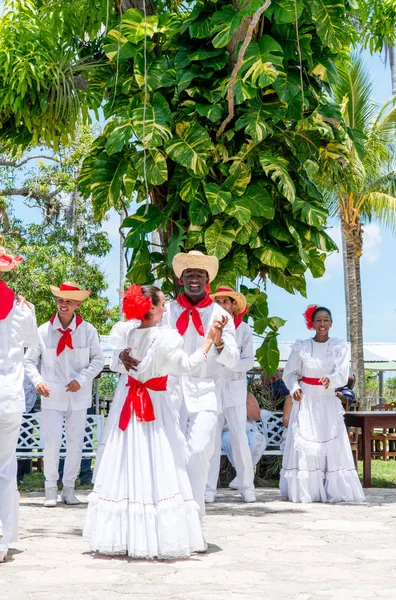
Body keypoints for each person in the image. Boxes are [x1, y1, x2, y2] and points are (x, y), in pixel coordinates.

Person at [84, 284, 220, 558]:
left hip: (129, 404)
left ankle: (125, 535)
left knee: (129, 461)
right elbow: (190, 365)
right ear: (152, 308)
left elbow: (117, 364)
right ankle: (159, 535)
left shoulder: (129, 336)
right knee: (160, 461)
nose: (165, 307)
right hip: (153, 406)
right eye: (161, 303)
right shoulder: (165, 338)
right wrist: (209, 339)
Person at [119, 251, 239, 519]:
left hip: (206, 393)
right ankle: (170, 518)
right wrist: (121, 354)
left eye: (199, 274)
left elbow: (233, 359)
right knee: (169, 456)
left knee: (198, 454)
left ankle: (194, 517)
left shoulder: (220, 314)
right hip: (168, 396)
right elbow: (139, 335)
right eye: (188, 274)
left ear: (207, 279)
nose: (193, 279)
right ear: (180, 279)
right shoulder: (167, 309)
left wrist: (218, 341)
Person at [25, 282, 104, 507]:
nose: (63, 304)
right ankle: (50, 488)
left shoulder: (88, 330)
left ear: (77, 303)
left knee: (75, 442)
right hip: (52, 394)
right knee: (51, 442)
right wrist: (38, 381)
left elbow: (98, 359)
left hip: (78, 395)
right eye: (60, 299)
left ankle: (69, 488)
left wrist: (82, 379)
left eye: (69, 300)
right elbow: (29, 361)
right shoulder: (42, 331)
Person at [280, 305, 365, 504]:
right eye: (318, 320)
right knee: (307, 443)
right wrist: (294, 389)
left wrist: (331, 379)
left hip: (327, 399)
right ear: (312, 323)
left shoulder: (338, 346)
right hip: (306, 399)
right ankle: (308, 491)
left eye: (326, 320)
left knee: (330, 442)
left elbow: (343, 373)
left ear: (331, 323)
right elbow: (290, 374)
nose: (322, 323)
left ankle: (333, 489)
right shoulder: (301, 346)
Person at [0, 247, 39, 563]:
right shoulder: (24, 309)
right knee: (4, 467)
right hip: (9, 395)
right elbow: (31, 348)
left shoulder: (24, 308)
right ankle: (3, 537)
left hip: (9, 395)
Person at [205, 286, 256, 503]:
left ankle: (247, 486)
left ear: (233, 305)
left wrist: (229, 361)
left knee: (239, 437)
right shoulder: (209, 328)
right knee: (211, 439)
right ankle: (208, 489)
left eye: (225, 302)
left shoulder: (244, 330)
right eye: (218, 302)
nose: (222, 306)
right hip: (213, 387)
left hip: (235, 389)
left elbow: (248, 361)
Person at [224, 391, 268, 490]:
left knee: (259, 441)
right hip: (228, 431)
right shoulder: (219, 393)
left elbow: (256, 416)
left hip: (249, 431)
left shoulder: (246, 395)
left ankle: (240, 477)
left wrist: (240, 400)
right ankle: (244, 477)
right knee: (234, 441)